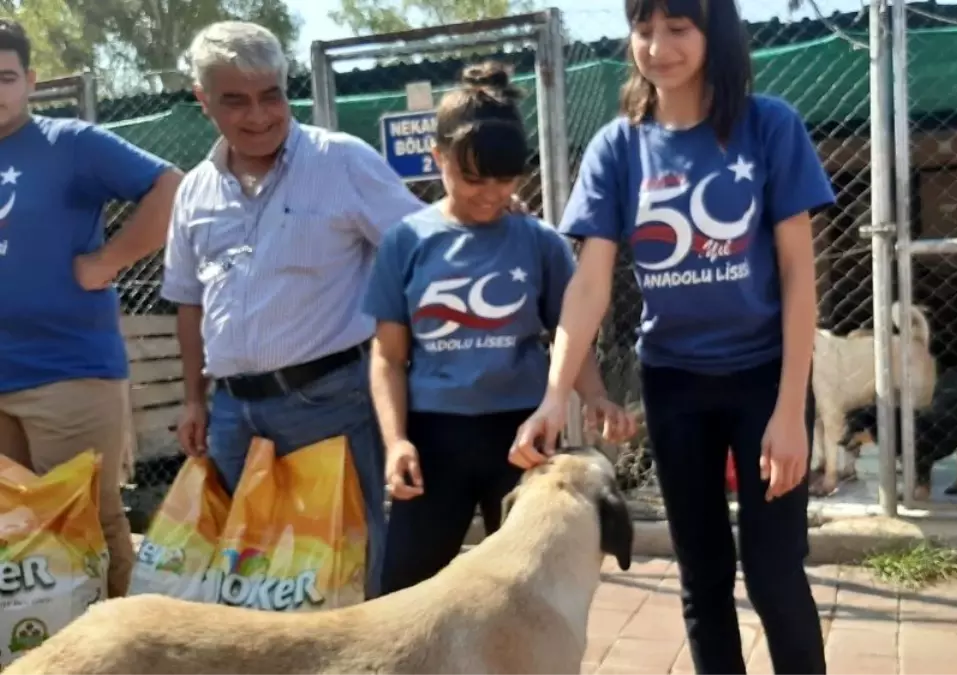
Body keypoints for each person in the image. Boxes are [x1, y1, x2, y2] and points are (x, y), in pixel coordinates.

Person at [509, 0, 835, 673]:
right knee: (703, 576)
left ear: (711, 32)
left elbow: (800, 273)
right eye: (643, 28)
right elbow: (588, 284)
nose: (657, 45)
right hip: (674, 383)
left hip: (763, 376)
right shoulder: (617, 146)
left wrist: (788, 410)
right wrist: (552, 397)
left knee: (775, 575)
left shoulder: (768, 125)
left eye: (677, 27)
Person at [160, 21, 427, 600]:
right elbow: (188, 299)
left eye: (270, 96)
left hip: (329, 402)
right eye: (235, 101)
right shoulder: (195, 191)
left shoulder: (342, 161)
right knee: (247, 570)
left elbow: (416, 251)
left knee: (347, 561)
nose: (258, 116)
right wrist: (193, 398)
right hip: (232, 415)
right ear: (203, 101)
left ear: (288, 90)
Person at [362, 61, 636, 594]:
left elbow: (570, 333)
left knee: (526, 593)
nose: (490, 193)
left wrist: (597, 396)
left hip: (524, 438)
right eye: (472, 178)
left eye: (506, 179)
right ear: (436, 157)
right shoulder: (405, 242)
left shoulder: (539, 242)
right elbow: (388, 357)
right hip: (434, 440)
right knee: (400, 593)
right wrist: (396, 442)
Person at [0, 19, 183, 599]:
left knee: (89, 525)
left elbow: (170, 186)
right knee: (12, 535)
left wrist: (109, 261)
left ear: (30, 80)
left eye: (4, 77)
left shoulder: (70, 142)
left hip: (69, 373)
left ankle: (127, 654)